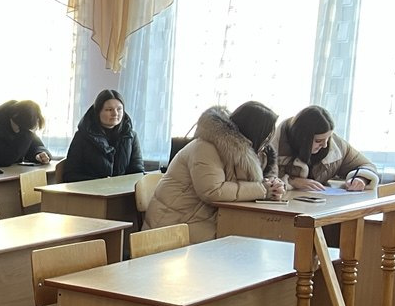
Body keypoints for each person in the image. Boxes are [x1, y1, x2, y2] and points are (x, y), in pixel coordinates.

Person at [144, 102, 284, 243]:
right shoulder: (205, 148)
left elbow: (239, 185)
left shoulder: (235, 151)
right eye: (265, 138)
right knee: (247, 243)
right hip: (172, 228)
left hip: (197, 222)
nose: (266, 145)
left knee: (250, 239)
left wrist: (271, 185)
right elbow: (212, 191)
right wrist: (262, 190)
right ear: (253, 133)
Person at [274, 105, 378, 192]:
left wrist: (360, 178)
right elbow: (266, 179)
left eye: (328, 138)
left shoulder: (337, 147)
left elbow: (366, 166)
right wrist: (292, 181)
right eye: (318, 141)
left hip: (320, 205)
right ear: (302, 138)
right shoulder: (273, 147)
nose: (325, 145)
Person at [60, 89, 143, 182]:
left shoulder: (131, 136)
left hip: (123, 189)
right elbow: (70, 175)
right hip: (90, 189)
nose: (115, 114)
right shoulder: (82, 136)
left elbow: (137, 172)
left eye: (119, 109)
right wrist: (101, 182)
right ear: (98, 112)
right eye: (109, 110)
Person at [0, 99, 51, 166]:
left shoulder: (24, 124)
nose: (22, 131)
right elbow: (4, 159)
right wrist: (28, 134)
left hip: (14, 172)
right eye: (22, 128)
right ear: (13, 117)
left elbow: (38, 146)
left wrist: (40, 154)